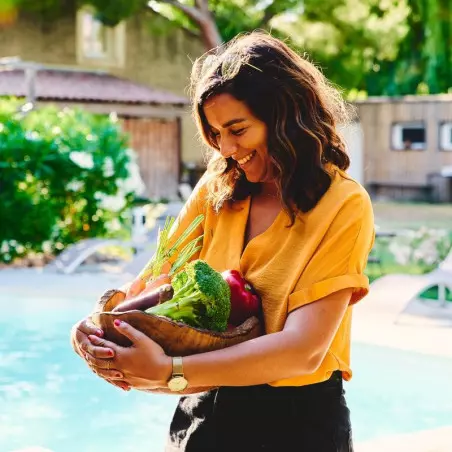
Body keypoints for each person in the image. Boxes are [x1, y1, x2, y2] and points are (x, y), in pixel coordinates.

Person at [71, 31, 375, 452]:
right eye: (216, 134)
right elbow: (155, 284)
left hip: (297, 427)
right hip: (202, 415)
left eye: (238, 129)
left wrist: (171, 372)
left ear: (286, 117)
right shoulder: (218, 188)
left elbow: (303, 350)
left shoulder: (344, 205)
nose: (227, 149)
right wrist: (95, 328)